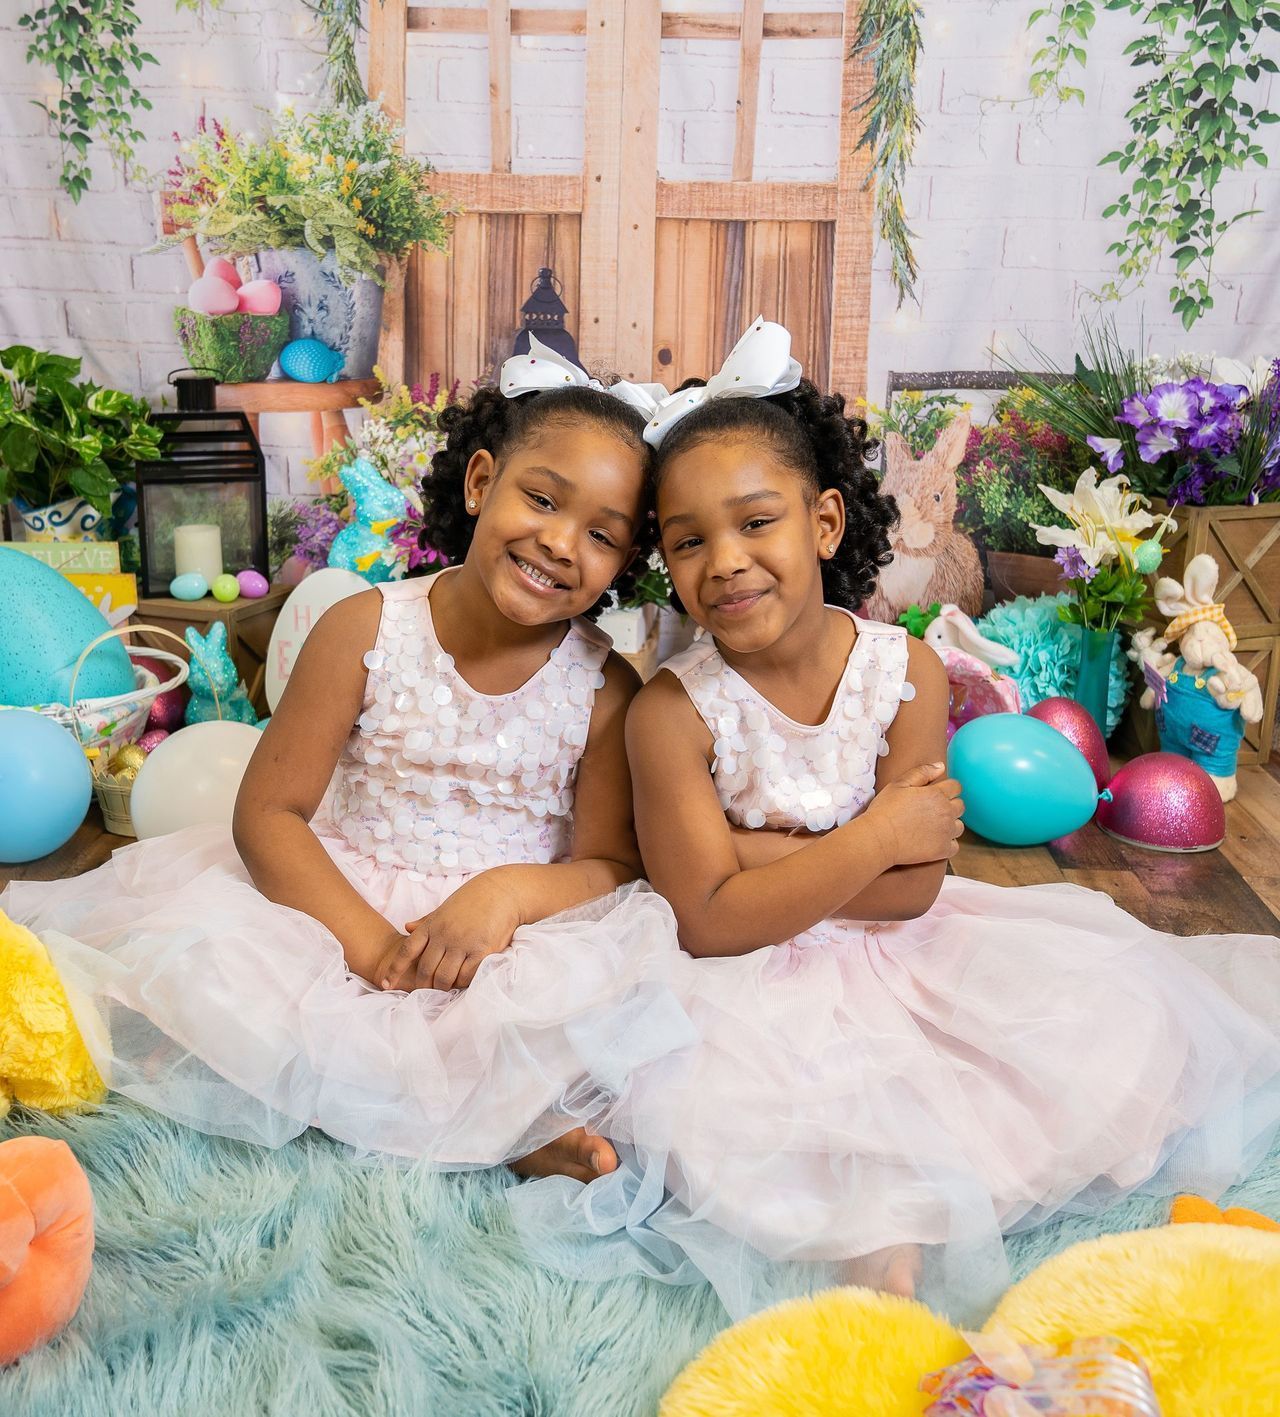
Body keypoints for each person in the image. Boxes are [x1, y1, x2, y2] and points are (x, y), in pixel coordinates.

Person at [509, 319, 1280, 1321]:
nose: (725, 561)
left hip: (902, 950)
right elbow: (703, 917)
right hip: (730, 979)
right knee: (739, 1114)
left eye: (755, 523)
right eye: (687, 541)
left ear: (823, 521)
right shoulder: (669, 710)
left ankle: (901, 1234)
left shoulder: (902, 670)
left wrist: (750, 862)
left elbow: (915, 890)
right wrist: (868, 837)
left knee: (1036, 1064)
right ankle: (873, 1248)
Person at [3, 340, 688, 1181]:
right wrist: (367, 947)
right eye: (541, 499)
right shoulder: (366, 629)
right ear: (481, 484)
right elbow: (267, 815)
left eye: (602, 535)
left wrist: (506, 894)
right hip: (344, 904)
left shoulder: (606, 686)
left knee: (597, 1014)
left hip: (507, 932)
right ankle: (487, 1124)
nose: (558, 541)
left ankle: (517, 1121)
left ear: (624, 563)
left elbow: (612, 863)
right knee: (238, 995)